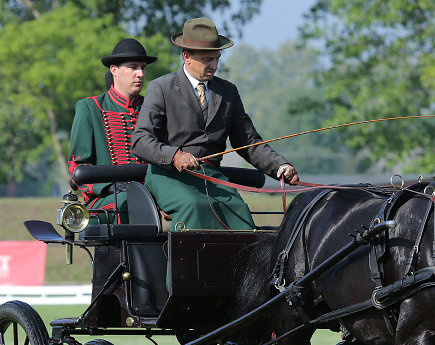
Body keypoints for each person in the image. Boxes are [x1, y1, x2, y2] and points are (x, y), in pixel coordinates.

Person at [131, 17, 299, 231]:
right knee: (193, 206)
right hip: (168, 176)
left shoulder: (228, 92)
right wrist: (175, 156)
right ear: (186, 57)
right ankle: (185, 265)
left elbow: (248, 141)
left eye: (217, 58)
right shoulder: (161, 88)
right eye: (207, 59)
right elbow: (140, 141)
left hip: (212, 177)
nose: (215, 65)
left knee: (240, 212)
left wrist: (279, 166)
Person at [68, 38, 157, 223]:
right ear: (114, 70)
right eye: (133, 67)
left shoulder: (153, 109)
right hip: (105, 199)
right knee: (129, 202)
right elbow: (77, 166)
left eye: (143, 68)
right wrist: (108, 186)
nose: (140, 74)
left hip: (151, 192)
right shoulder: (90, 108)